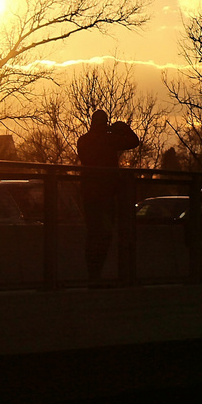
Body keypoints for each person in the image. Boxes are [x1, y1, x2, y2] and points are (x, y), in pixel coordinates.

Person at [77, 108, 141, 283]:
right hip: (106, 194)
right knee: (105, 233)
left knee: (92, 233)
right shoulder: (108, 139)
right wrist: (122, 128)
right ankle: (97, 274)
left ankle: (92, 273)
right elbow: (134, 142)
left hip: (88, 193)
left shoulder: (83, 140)